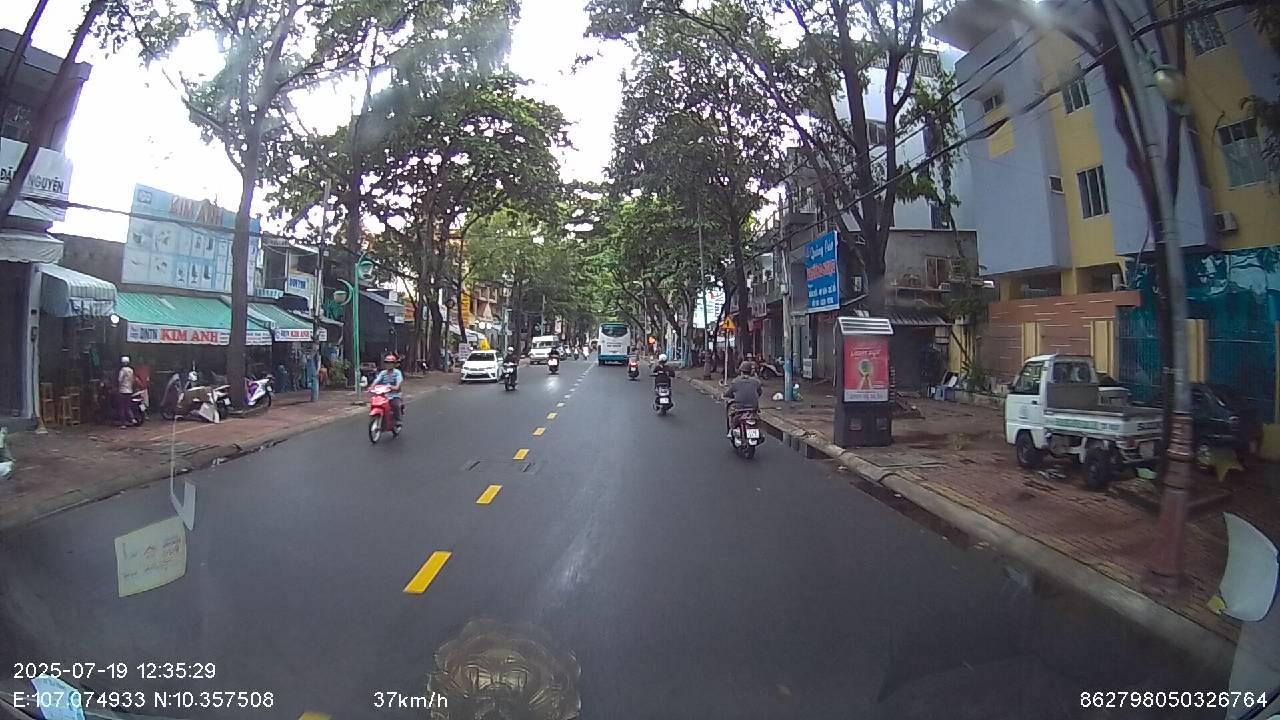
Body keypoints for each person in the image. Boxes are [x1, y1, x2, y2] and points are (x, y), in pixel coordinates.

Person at [722, 361, 763, 437]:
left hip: (739, 408)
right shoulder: (756, 381)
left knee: (731, 413)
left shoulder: (736, 381)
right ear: (750, 371)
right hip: (753, 408)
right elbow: (759, 392)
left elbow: (728, 393)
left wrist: (725, 395)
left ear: (741, 371)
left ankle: (731, 430)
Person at [371, 354, 404, 426]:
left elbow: (399, 382)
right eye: (386, 362)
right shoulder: (383, 373)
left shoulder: (397, 373)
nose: (388, 364)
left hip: (394, 395)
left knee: (396, 405)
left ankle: (398, 420)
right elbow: (377, 380)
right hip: (383, 395)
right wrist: (371, 387)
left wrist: (395, 387)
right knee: (375, 402)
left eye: (390, 363)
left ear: (394, 364)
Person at [116, 356, 137, 428]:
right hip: (129, 390)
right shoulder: (131, 370)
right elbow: (133, 380)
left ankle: (123, 424)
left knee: (121, 407)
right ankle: (132, 418)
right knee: (128, 407)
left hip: (123, 391)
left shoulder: (122, 370)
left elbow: (119, 380)